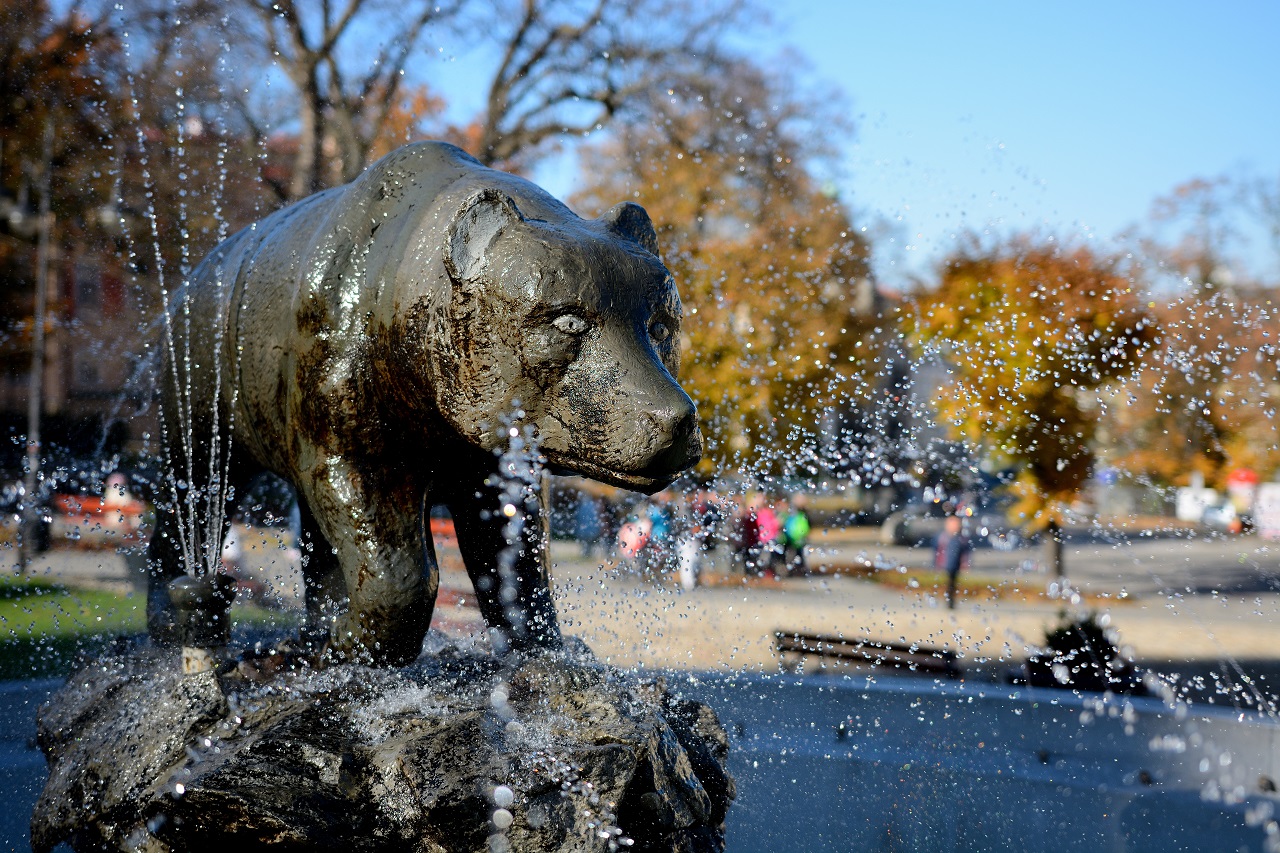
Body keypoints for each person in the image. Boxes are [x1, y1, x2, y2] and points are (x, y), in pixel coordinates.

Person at [935, 515, 973, 610]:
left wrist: (965, 564)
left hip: (955, 565)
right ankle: (947, 602)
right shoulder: (943, 537)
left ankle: (951, 603)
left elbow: (965, 553)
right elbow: (937, 551)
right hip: (946, 564)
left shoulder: (960, 539)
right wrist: (937, 563)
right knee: (945, 583)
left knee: (952, 584)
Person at [781, 495, 811, 577]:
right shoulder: (792, 514)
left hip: (797, 537)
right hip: (791, 537)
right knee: (793, 555)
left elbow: (806, 526)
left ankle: (798, 570)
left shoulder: (802, 515)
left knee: (798, 555)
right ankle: (794, 570)